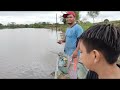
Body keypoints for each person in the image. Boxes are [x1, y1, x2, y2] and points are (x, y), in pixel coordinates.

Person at [57, 11, 84, 79]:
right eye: (67, 17)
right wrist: (61, 41)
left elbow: (81, 41)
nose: (68, 18)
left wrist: (76, 51)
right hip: (67, 52)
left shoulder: (78, 28)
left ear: (74, 18)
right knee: (68, 68)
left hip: (74, 54)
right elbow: (66, 39)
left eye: (70, 17)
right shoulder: (68, 28)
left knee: (73, 70)